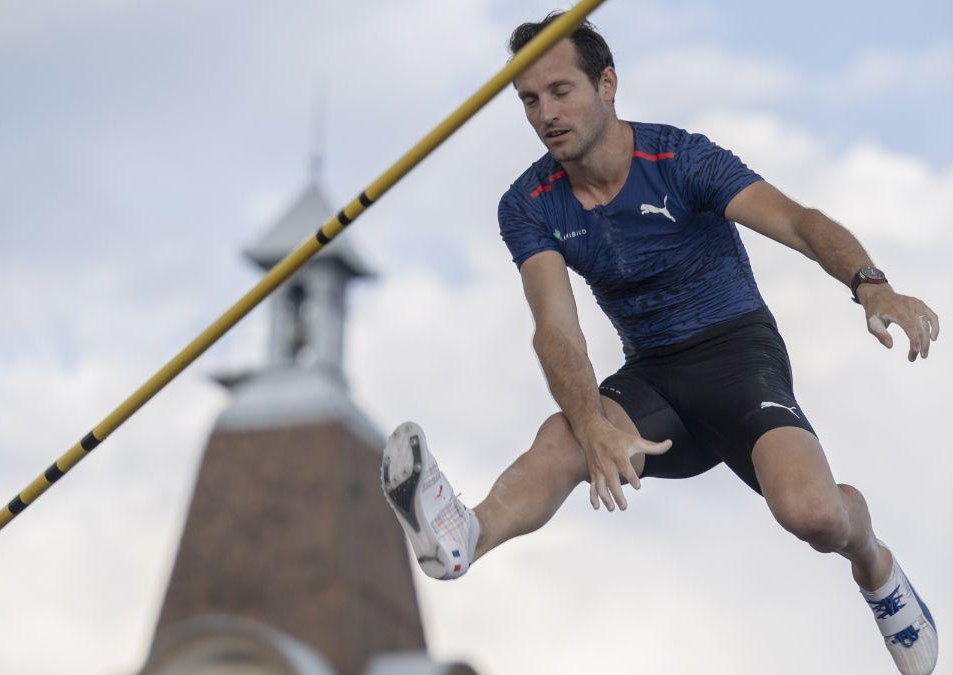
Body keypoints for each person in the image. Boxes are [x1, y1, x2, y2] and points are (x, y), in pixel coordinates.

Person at [380, 11, 940, 675]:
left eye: (561, 91)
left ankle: (873, 562)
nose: (545, 113)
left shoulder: (680, 160)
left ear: (607, 83)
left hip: (739, 360)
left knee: (815, 516)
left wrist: (870, 284)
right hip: (652, 382)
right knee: (563, 435)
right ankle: (463, 536)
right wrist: (591, 424)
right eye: (529, 100)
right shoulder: (528, 203)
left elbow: (798, 219)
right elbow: (555, 325)